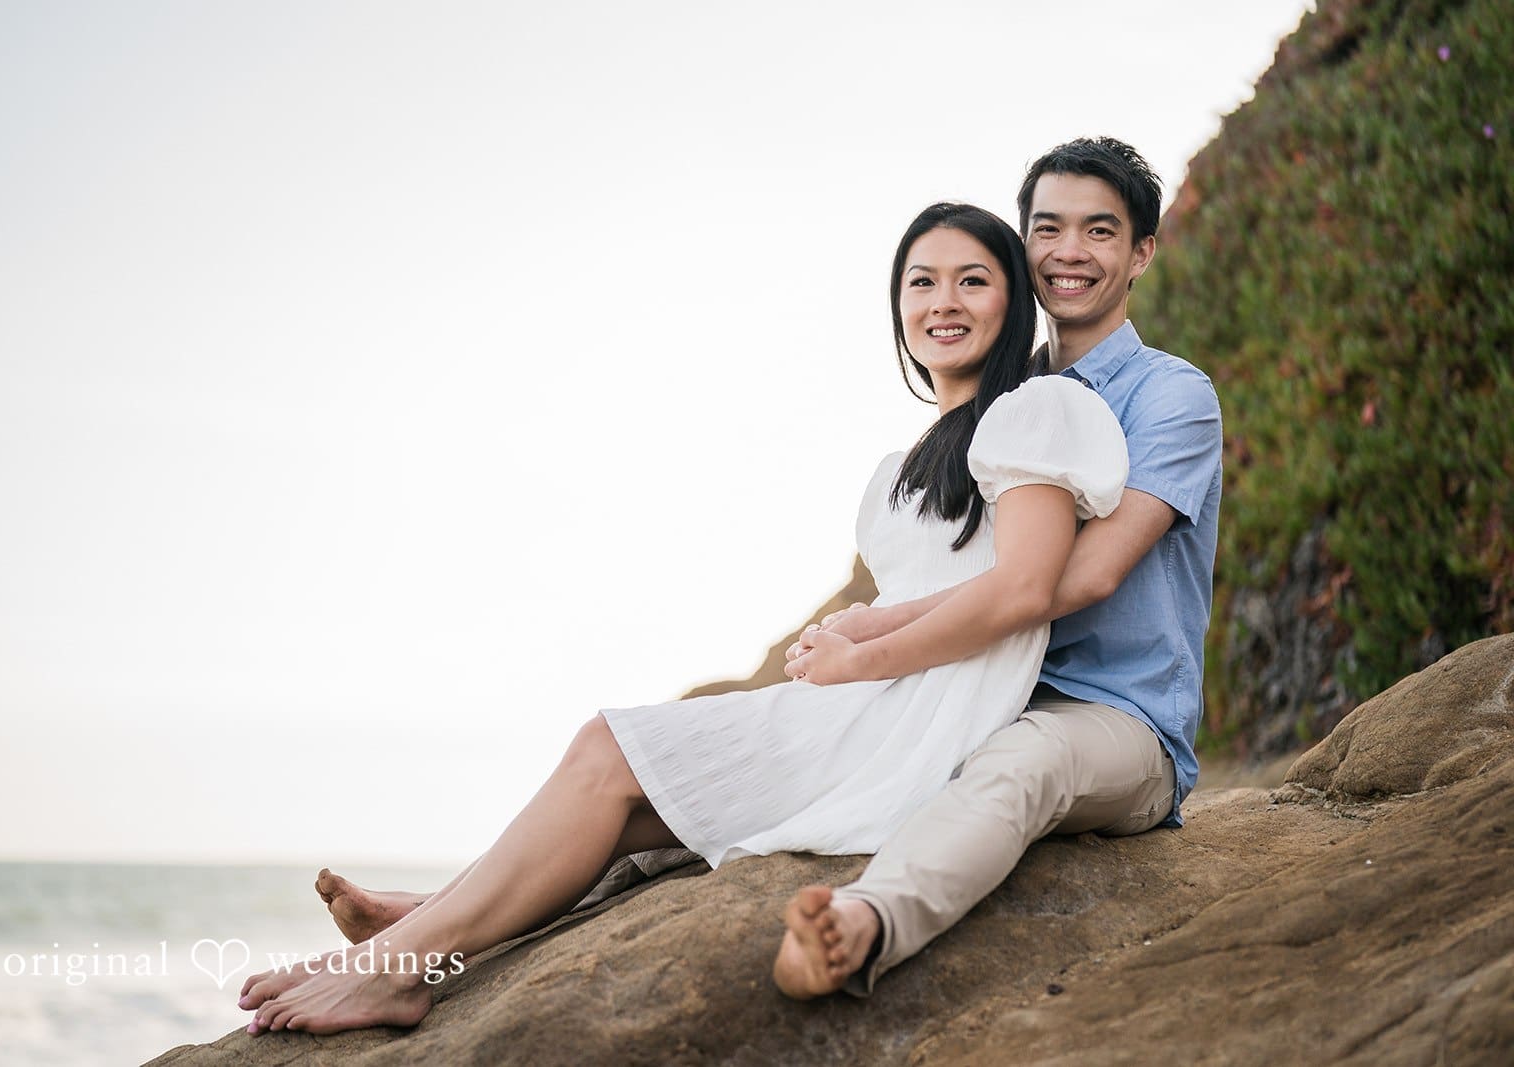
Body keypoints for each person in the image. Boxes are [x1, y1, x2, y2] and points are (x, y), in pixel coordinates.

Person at [235, 201, 1130, 1035]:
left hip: (923, 715)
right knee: (624, 806)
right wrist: (851, 634)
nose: (943, 301)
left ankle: (403, 963)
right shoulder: (901, 464)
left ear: (1015, 302)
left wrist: (863, 658)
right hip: (876, 696)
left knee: (608, 747)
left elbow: (1022, 589)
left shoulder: (1033, 410)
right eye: (920, 281)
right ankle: (433, 920)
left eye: (972, 279)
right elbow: (915, 587)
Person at [770, 136, 1224, 998]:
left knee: (1024, 762)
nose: (1070, 253)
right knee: (787, 747)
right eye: (1048, 229)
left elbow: (1084, 577)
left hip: (1115, 721)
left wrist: (875, 639)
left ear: (1142, 252)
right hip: (979, 691)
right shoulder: (1009, 405)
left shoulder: (1172, 397)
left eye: (1100, 230)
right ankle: (474, 906)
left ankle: (864, 926)